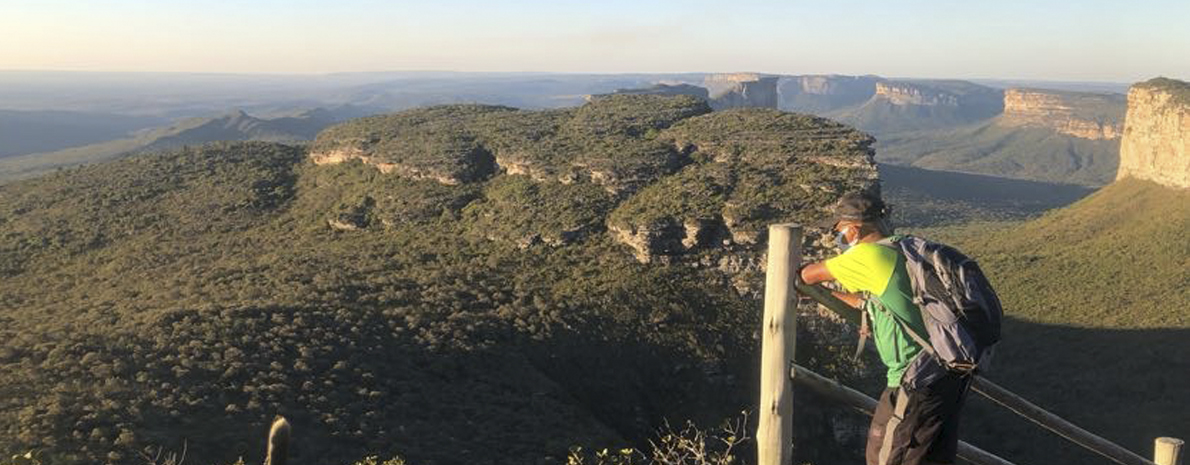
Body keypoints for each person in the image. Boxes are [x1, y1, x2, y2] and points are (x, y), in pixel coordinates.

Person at [799, 190, 970, 465]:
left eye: (838, 231)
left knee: (887, 457)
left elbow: (806, 274)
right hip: (947, 377)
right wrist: (826, 296)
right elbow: (880, 303)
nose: (837, 238)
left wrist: (801, 282)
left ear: (853, 230)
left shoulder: (867, 256)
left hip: (914, 382)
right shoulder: (903, 249)